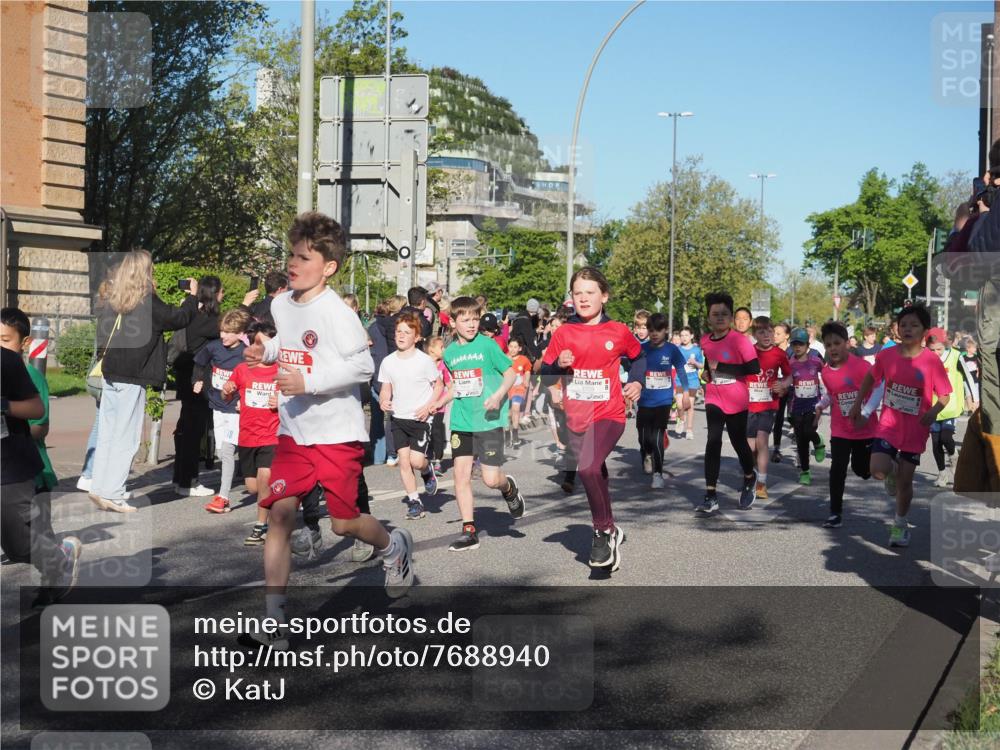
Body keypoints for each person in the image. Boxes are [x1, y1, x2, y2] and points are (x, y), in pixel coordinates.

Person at [245, 212, 414, 646]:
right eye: (290, 254)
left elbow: (361, 366)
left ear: (329, 267)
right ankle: (275, 623)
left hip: (336, 434)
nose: (293, 263)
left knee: (343, 524)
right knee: (280, 515)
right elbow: (291, 346)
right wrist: (267, 354)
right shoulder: (281, 303)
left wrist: (310, 382)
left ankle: (393, 546)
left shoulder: (338, 311)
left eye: (304, 257)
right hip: (293, 431)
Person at [540, 267, 645, 570]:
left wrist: (637, 381)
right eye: (578, 293)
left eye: (590, 292)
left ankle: (602, 532)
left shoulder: (619, 331)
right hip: (576, 417)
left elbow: (639, 357)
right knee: (594, 470)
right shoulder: (563, 333)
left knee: (586, 467)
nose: (583, 299)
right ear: (571, 298)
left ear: (604, 295)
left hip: (609, 413)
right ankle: (611, 528)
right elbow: (546, 375)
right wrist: (558, 365)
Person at [91, 250, 198, 512]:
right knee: (126, 436)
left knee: (107, 433)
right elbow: (178, 318)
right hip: (133, 374)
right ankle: (113, 492)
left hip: (112, 371)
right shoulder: (147, 300)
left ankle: (100, 487)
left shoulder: (116, 299)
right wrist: (192, 297)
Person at [848, 305, 952, 548]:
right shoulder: (887, 355)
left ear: (924, 331)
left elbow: (945, 395)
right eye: (903, 324)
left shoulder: (931, 361)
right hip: (889, 424)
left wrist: (934, 413)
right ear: (897, 328)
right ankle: (891, 473)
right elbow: (871, 378)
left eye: (914, 325)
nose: (907, 329)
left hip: (916, 429)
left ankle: (900, 524)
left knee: (906, 482)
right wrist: (857, 404)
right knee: (878, 469)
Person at [438, 296, 525, 552]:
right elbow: (457, 385)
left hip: (489, 421)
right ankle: (469, 530)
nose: (472, 324)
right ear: (453, 323)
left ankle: (508, 488)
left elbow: (510, 374)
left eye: (475, 319)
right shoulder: (450, 353)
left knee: (490, 479)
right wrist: (438, 403)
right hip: (462, 421)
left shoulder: (487, 345)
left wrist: (498, 396)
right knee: (460, 476)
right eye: (465, 320)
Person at [2, 344, 81, 601]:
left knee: (18, 546)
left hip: (8, 465)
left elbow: (37, 410)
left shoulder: (7, 362)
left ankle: (60, 559)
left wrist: (4, 405)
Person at [814, 321, 881, 528]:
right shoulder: (825, 372)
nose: (833, 348)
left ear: (847, 343)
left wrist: (865, 412)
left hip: (865, 429)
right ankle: (835, 513)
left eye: (837, 343)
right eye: (828, 345)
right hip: (841, 430)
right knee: (837, 470)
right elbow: (832, 394)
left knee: (862, 470)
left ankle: (886, 468)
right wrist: (820, 405)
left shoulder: (862, 367)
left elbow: (879, 391)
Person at [698, 293, 760, 514]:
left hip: (737, 397)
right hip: (714, 396)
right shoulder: (705, 340)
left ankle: (749, 476)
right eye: (716, 314)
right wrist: (706, 373)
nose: (720, 317)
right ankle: (711, 494)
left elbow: (754, 368)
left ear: (731, 317)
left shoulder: (739, 340)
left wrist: (721, 367)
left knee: (738, 442)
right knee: (713, 440)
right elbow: (709, 365)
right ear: (708, 318)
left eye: (725, 314)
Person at [378, 311, 443, 521]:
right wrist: (383, 399)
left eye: (407, 332)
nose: (401, 335)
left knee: (416, 461)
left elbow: (439, 386)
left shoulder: (424, 361)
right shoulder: (388, 361)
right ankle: (415, 501)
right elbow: (386, 387)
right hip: (398, 418)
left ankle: (427, 470)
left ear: (417, 337)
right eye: (398, 331)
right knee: (404, 462)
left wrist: (428, 406)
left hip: (421, 418)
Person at [223, 318, 279, 545]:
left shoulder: (281, 370)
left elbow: (298, 399)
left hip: (272, 435)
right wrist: (227, 392)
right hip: (247, 436)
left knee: (265, 481)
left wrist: (281, 401)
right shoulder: (242, 369)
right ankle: (286, 497)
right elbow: (226, 394)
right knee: (253, 487)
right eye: (253, 344)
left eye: (261, 344)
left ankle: (260, 526)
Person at [172, 275, 227, 497]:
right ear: (215, 293)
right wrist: (245, 305)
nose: (224, 295)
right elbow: (228, 328)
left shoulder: (194, 311)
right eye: (221, 291)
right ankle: (189, 481)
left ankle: (181, 479)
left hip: (186, 374)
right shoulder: (206, 318)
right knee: (194, 429)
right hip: (197, 378)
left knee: (187, 427)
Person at [193, 308, 250, 513]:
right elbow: (199, 363)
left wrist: (243, 399)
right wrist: (197, 380)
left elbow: (252, 378)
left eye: (228, 332)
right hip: (217, 405)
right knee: (220, 452)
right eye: (222, 331)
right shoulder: (214, 347)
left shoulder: (245, 353)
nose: (223, 336)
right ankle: (251, 467)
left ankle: (223, 497)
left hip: (234, 409)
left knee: (226, 452)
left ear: (239, 332)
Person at [1, 308, 57, 493]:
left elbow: (41, 426)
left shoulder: (33, 377)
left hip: (33, 474)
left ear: (25, 343)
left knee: (35, 521)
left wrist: (12, 436)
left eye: (5, 340)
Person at [636, 312, 686, 489]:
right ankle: (646, 453)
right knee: (643, 437)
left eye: (658, 330)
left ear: (665, 330)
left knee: (657, 436)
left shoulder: (672, 349)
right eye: (651, 330)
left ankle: (658, 474)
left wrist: (685, 391)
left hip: (663, 400)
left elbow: (680, 368)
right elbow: (633, 369)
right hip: (644, 399)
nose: (654, 333)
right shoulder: (641, 348)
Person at [745, 317, 791, 501]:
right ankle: (750, 476)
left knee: (762, 440)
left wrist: (783, 385)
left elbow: (789, 376)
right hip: (748, 404)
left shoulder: (779, 354)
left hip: (769, 404)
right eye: (761, 332)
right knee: (750, 446)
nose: (766, 335)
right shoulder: (748, 352)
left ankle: (762, 483)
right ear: (755, 335)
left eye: (769, 331)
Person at [77, 272, 115, 492]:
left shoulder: (102, 312)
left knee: (101, 422)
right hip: (108, 375)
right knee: (104, 424)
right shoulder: (111, 316)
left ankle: (92, 473)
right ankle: (90, 473)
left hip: (100, 374)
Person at [925, 328, 973, 487]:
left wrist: (972, 398)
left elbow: (968, 378)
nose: (936, 353)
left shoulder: (956, 356)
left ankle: (954, 457)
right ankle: (942, 474)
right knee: (936, 442)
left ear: (946, 345)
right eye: (932, 350)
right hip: (932, 408)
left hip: (951, 406)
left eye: (939, 349)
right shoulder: (926, 359)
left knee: (946, 437)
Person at [368, 296, 405, 466]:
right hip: (389, 376)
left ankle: (378, 456)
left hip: (376, 375)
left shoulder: (374, 326)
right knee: (393, 415)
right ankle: (393, 453)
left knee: (378, 417)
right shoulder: (395, 328)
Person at [788, 327, 826, 486]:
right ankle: (805, 471)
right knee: (801, 440)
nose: (797, 347)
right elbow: (786, 381)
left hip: (813, 405)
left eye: (801, 344)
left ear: (807, 345)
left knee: (809, 430)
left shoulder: (816, 361)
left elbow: (827, 374)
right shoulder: (790, 363)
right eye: (795, 344)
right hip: (796, 406)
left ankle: (818, 442)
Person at [425, 336, 450, 475]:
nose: (444, 349)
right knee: (425, 433)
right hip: (424, 405)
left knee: (437, 432)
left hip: (439, 406)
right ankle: (427, 459)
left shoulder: (443, 366)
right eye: (441, 347)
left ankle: (438, 461)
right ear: (431, 350)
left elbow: (449, 384)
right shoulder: (422, 364)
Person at [676, 326, 704, 440]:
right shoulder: (677, 349)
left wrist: (695, 363)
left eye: (686, 335)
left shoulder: (696, 350)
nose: (684, 338)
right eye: (682, 335)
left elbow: (702, 365)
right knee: (679, 404)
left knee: (689, 406)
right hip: (679, 379)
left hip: (692, 380)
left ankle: (689, 429)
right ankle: (682, 420)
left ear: (691, 336)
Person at [771, 322, 792, 463]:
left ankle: (801, 451)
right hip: (777, 387)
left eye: (778, 333)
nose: (775, 336)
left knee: (794, 419)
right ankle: (776, 449)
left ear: (787, 336)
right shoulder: (771, 350)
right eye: (774, 333)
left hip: (792, 387)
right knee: (777, 419)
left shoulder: (792, 351)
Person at [506, 337, 532, 449]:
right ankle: (507, 435)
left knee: (516, 408)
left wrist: (526, 380)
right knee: (507, 414)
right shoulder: (504, 358)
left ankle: (515, 434)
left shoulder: (524, 359)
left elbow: (527, 371)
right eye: (510, 346)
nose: (512, 349)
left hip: (518, 388)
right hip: (506, 388)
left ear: (520, 348)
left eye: (515, 347)